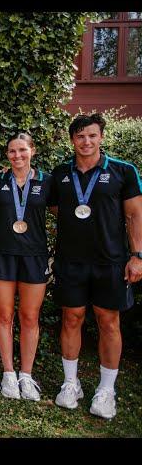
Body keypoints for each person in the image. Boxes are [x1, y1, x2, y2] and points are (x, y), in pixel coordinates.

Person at [50, 113, 142, 419]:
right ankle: (70, 384)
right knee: (71, 319)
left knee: (108, 322)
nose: (86, 141)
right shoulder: (61, 173)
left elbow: (134, 215)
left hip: (110, 261)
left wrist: (137, 255)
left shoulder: (122, 171)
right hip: (70, 261)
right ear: (72, 140)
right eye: (80, 136)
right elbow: (54, 208)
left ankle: (106, 391)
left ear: (101, 137)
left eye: (91, 135)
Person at [0, 133, 53, 400]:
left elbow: (66, 213)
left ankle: (26, 374)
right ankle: (8, 373)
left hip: (34, 256)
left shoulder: (47, 181)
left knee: (29, 317)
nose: (17, 156)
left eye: (22, 150)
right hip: (3, 254)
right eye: (12, 151)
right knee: (3, 315)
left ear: (32, 151)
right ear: (7, 155)